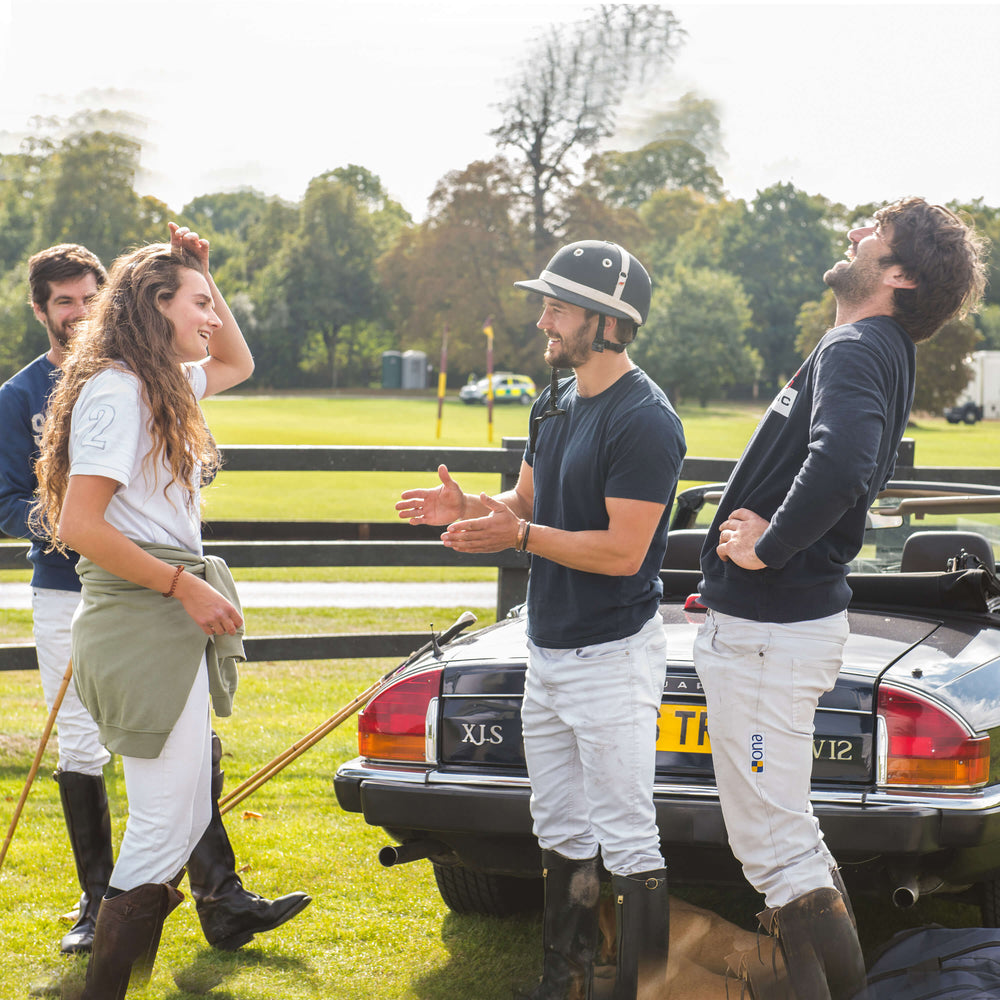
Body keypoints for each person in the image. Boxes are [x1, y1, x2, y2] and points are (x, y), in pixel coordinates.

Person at [693, 198, 988, 1000]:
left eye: (872, 234)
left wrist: (766, 545)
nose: (853, 234)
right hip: (772, 625)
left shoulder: (859, 345)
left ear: (897, 274)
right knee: (786, 833)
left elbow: (845, 464)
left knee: (773, 844)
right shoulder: (869, 345)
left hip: (770, 630)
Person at [397, 241, 687, 1000]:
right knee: (559, 829)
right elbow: (525, 504)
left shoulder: (647, 421)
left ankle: (638, 991)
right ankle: (564, 986)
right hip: (549, 650)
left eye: (557, 306)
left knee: (628, 838)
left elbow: (625, 553)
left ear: (608, 320)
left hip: (613, 659)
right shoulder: (552, 399)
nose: (542, 318)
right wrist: (472, 509)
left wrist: (519, 535)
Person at [26, 227, 305, 997]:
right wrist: (183, 587)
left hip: (162, 622)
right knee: (161, 818)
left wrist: (207, 275)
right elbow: (80, 526)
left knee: (180, 816)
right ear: (155, 305)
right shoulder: (118, 390)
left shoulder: (162, 380)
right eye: (198, 304)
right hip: (142, 619)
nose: (211, 317)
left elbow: (238, 364)